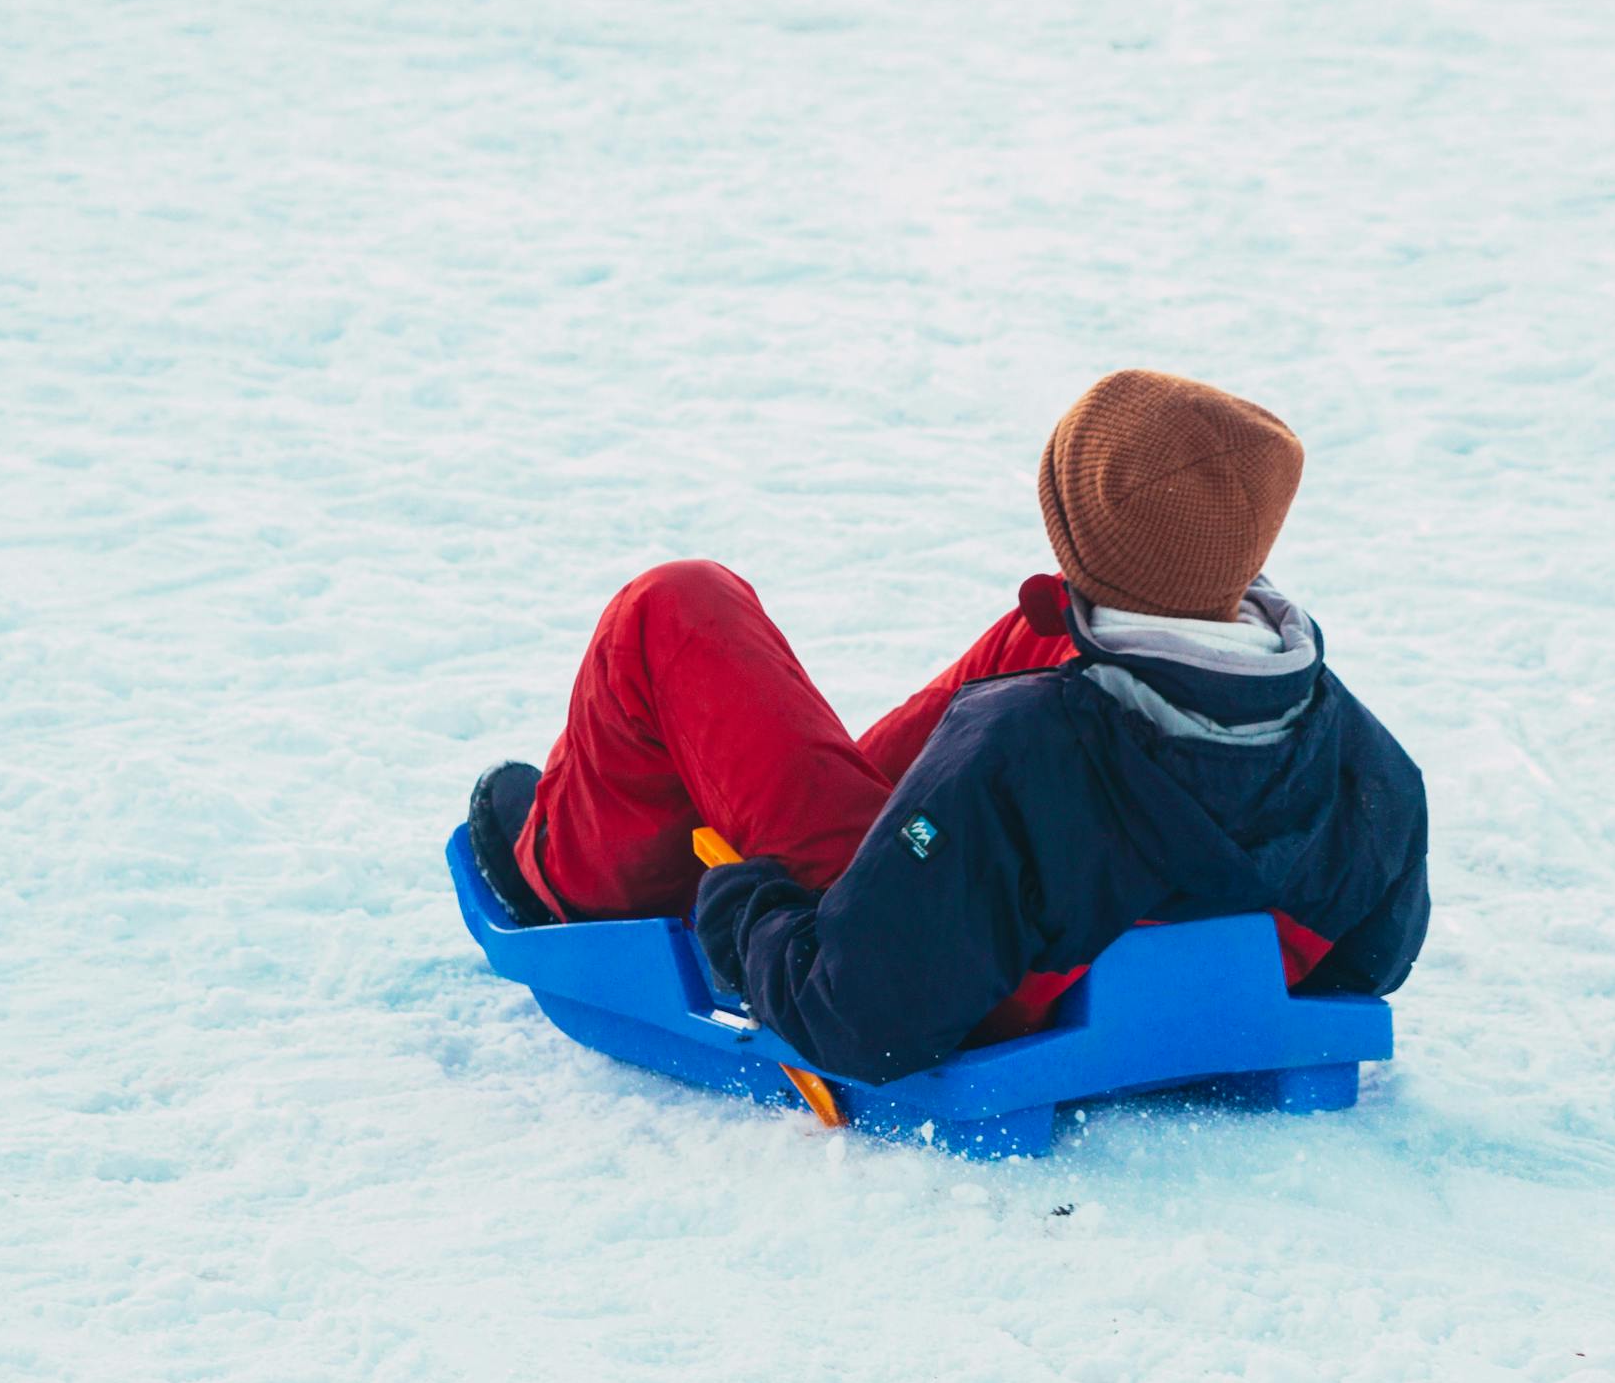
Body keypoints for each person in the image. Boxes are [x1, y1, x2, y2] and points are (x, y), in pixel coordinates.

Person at [467, 370, 1429, 1085]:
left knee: (676, 608)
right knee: (1042, 625)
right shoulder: (1367, 760)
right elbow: (1366, 962)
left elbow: (860, 1020)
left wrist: (744, 906)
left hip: (919, 937)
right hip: (1023, 896)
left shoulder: (1018, 753)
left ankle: (565, 867)